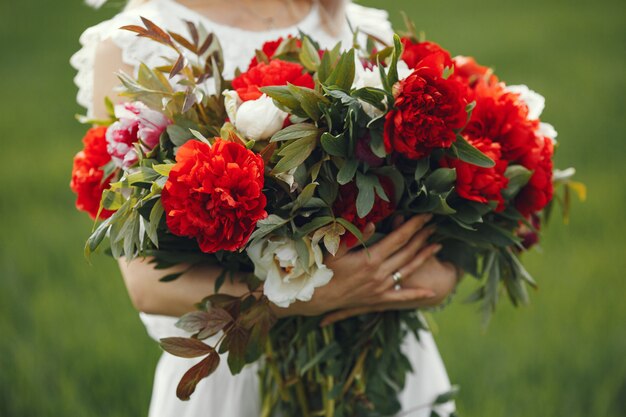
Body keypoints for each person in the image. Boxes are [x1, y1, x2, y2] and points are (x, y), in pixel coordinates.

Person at [71, 1, 459, 416]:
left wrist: (441, 274)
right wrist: (296, 297)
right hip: (235, 371)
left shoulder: (362, 28)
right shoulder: (133, 47)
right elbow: (146, 285)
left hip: (375, 351)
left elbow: (435, 197)